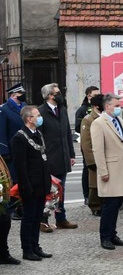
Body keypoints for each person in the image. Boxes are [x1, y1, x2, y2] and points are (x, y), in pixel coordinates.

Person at [11, 106, 52, 261]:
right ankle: (27, 249)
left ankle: (36, 246)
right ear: (29, 118)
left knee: (37, 217)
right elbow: (20, 166)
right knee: (28, 219)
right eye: (37, 115)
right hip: (30, 184)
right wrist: (25, 186)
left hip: (41, 182)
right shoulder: (20, 137)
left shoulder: (38, 134)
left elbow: (43, 159)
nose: (40, 117)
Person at [91, 94, 123, 250]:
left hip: (122, 169)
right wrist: (103, 171)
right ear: (107, 106)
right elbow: (98, 150)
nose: (118, 107)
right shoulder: (99, 123)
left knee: (116, 205)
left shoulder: (119, 120)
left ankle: (113, 234)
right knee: (109, 206)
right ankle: (105, 237)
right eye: (116, 105)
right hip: (110, 170)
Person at [37, 82, 77, 230]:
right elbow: (38, 138)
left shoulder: (62, 110)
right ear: (49, 96)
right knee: (48, 190)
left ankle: (61, 218)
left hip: (63, 156)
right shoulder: (40, 112)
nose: (60, 95)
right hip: (49, 158)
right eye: (57, 93)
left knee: (61, 190)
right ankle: (43, 220)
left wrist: (71, 154)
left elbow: (67, 133)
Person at [0, 83, 27, 220]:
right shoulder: (4, 110)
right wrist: (4, 152)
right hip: (11, 152)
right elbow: (2, 132)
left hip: (24, 151)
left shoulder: (24, 108)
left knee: (24, 179)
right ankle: (11, 208)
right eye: (20, 93)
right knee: (13, 181)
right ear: (13, 95)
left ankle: (21, 208)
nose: (23, 95)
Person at [80, 94, 104, 216]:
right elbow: (86, 142)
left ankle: (103, 204)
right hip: (94, 157)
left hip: (105, 156)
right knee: (94, 183)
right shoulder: (88, 119)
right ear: (96, 106)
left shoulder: (106, 117)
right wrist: (91, 161)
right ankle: (95, 206)